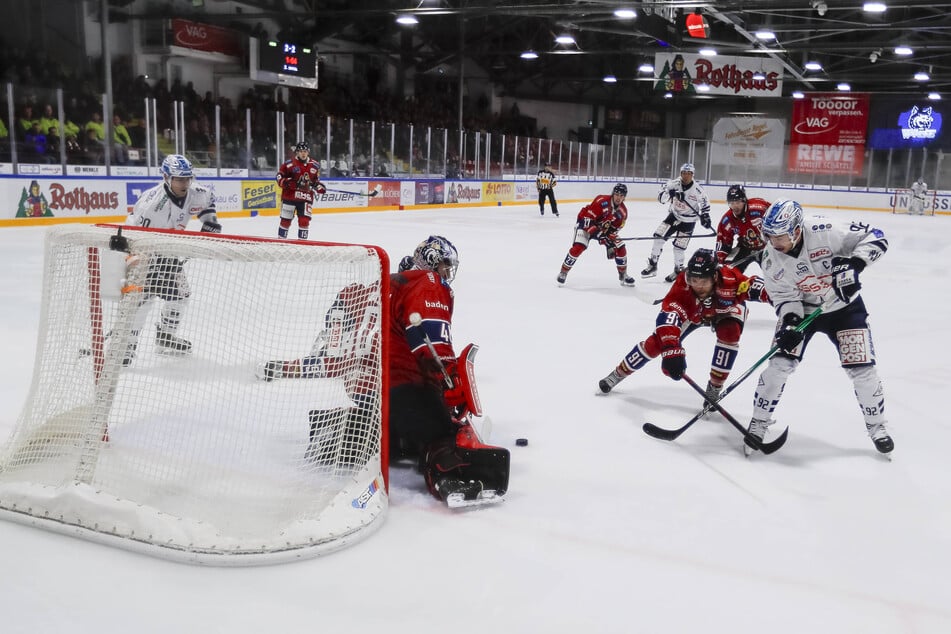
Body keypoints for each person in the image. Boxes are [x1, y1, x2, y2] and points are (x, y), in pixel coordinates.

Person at [258, 236, 510, 505]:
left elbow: (336, 349)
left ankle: (344, 427)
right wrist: (448, 382)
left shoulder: (375, 285)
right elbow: (431, 343)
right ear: (432, 262)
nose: (448, 273)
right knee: (446, 429)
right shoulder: (427, 282)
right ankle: (451, 474)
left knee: (401, 429)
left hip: (365, 393)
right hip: (402, 388)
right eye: (445, 265)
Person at [743, 199, 893, 456]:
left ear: (797, 230)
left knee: (862, 370)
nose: (773, 243)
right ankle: (758, 421)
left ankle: (877, 426)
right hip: (804, 311)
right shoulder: (770, 260)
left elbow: (876, 237)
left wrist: (855, 265)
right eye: (769, 236)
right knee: (779, 366)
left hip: (845, 309)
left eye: (779, 236)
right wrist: (790, 323)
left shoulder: (825, 229)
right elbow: (783, 297)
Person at [598, 248, 769, 405]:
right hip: (696, 312)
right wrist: (672, 351)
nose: (698, 286)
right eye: (694, 280)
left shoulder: (730, 279)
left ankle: (715, 387)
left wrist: (783, 301)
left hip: (726, 309)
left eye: (703, 281)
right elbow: (668, 318)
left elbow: (757, 287)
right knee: (658, 342)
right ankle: (617, 374)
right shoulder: (683, 286)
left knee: (729, 334)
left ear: (715, 277)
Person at [123, 154, 220, 363]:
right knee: (142, 300)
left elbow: (209, 199)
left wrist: (209, 220)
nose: (185, 183)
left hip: (168, 252)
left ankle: (165, 336)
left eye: (188, 178)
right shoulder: (152, 204)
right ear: (166, 178)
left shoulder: (195, 192)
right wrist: (135, 263)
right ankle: (127, 346)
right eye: (179, 179)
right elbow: (135, 234)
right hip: (144, 250)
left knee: (181, 296)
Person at [641, 163, 712, 282]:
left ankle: (678, 270)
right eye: (683, 173)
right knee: (658, 238)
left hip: (689, 220)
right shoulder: (672, 184)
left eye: (689, 173)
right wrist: (670, 193)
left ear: (692, 175)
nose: (686, 176)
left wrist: (705, 216)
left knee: (678, 248)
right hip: (674, 216)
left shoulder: (698, 190)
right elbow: (661, 199)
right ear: (680, 173)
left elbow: (705, 204)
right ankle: (653, 265)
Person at [556, 183, 636, 287]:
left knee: (620, 247)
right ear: (613, 194)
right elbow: (587, 220)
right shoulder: (601, 201)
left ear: (624, 197)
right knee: (578, 247)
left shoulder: (623, 212)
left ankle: (623, 274)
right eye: (617, 194)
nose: (618, 197)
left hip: (602, 231)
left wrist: (610, 241)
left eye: (621, 195)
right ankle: (564, 271)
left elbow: (614, 230)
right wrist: (601, 236)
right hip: (585, 223)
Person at [714, 184, 770, 273]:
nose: (735, 206)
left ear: (744, 201)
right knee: (728, 271)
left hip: (766, 246)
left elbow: (776, 216)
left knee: (775, 274)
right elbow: (723, 241)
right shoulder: (727, 220)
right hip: (744, 247)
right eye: (732, 203)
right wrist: (720, 260)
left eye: (738, 202)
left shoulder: (759, 207)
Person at [276, 141, 325, 239]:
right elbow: (279, 176)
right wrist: (286, 182)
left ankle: (302, 244)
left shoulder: (315, 165)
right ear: (297, 152)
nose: (303, 153)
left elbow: (315, 181)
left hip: (305, 198)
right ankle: (280, 242)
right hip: (289, 197)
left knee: (304, 221)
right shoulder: (289, 164)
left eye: (305, 151)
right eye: (301, 151)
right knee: (285, 221)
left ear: (308, 152)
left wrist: (319, 186)